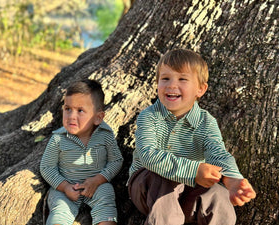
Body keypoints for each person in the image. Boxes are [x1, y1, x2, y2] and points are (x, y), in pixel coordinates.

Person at [128, 49, 256, 225]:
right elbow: (148, 156)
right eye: (165, 79)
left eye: (182, 79)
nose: (172, 85)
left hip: (188, 194)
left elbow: (217, 152)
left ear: (201, 89)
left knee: (218, 195)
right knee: (162, 179)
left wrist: (232, 179)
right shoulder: (149, 116)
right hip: (149, 189)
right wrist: (194, 170)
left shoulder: (206, 122)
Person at [40, 79, 123, 225]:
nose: (72, 116)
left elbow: (116, 161)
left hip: (96, 186)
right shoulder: (58, 138)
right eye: (68, 109)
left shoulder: (105, 135)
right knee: (60, 209)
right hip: (65, 187)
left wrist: (98, 180)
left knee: (106, 197)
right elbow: (47, 167)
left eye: (80, 111)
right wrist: (64, 187)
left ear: (98, 117)